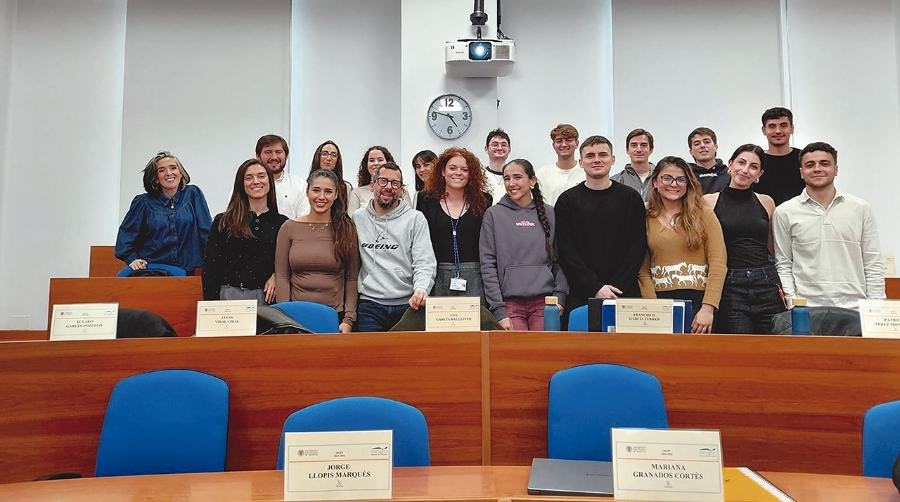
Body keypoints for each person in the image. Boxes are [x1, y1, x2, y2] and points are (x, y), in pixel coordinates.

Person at [773, 142, 885, 310]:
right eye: (810, 165)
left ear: (836, 169)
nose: (817, 169)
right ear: (801, 173)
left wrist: (876, 307)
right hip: (806, 308)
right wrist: (792, 302)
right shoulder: (784, 212)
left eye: (824, 163)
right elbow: (783, 263)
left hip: (856, 307)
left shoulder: (860, 208)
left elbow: (872, 261)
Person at [555, 136, 647, 316]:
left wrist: (615, 288)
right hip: (581, 293)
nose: (597, 160)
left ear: (613, 160)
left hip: (624, 292)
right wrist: (595, 287)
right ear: (581, 162)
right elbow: (567, 252)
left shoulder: (631, 198)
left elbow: (637, 248)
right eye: (590, 156)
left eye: (603, 155)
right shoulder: (567, 201)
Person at [638, 156, 727, 333]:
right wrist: (653, 308)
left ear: (688, 184)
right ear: (655, 182)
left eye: (681, 179)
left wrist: (708, 308)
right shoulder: (644, 217)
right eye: (667, 178)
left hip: (699, 304)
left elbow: (718, 263)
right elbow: (642, 269)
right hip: (659, 303)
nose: (674, 184)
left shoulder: (705, 215)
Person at [703, 145, 785, 334]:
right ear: (730, 165)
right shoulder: (708, 201)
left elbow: (773, 246)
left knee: (773, 347)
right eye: (741, 162)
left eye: (753, 166)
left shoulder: (766, 202)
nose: (745, 170)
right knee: (741, 349)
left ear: (759, 173)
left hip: (766, 281)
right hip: (730, 284)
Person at [480, 159, 568, 330]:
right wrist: (499, 310)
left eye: (517, 177)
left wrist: (560, 296)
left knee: (544, 355)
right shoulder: (493, 215)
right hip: (509, 305)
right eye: (507, 178)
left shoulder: (549, 213)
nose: (511, 184)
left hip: (546, 303)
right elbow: (488, 264)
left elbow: (561, 260)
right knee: (516, 356)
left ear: (532, 181)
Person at [353, 162, 436, 332]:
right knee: (371, 358)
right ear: (372, 185)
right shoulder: (358, 218)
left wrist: (421, 289)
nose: (389, 187)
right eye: (383, 181)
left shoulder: (415, 219)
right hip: (370, 305)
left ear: (401, 190)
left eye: (395, 183)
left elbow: (424, 262)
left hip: (407, 305)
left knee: (407, 358)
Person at [275, 169, 359, 332]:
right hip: (296, 317)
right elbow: (282, 276)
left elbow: (352, 277)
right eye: (316, 190)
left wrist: (349, 319)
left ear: (336, 195)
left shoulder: (346, 228)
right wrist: (285, 318)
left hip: (335, 316)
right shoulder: (288, 228)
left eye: (328, 191)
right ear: (307, 192)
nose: (321, 197)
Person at [202, 159, 287, 305]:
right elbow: (210, 267)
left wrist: (276, 275)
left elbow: (287, 263)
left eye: (261, 176)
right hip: (228, 296)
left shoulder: (282, 223)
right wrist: (212, 306)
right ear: (241, 184)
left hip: (265, 298)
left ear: (269, 181)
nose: (256, 181)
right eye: (249, 178)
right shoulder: (223, 220)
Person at [115, 150, 212, 273]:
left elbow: (207, 232)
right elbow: (125, 239)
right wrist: (132, 259)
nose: (169, 173)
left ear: (180, 173)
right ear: (155, 178)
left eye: (173, 168)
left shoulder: (193, 194)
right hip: (152, 270)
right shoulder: (143, 203)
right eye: (161, 170)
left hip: (188, 270)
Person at [416, 147, 492, 300]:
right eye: (452, 168)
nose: (458, 173)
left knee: (474, 323)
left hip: (475, 275)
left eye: (465, 169)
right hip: (436, 274)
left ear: (471, 175)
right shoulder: (425, 199)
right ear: (443, 171)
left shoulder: (484, 200)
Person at [755, 107, 805, 206]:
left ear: (792, 128)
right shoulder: (756, 161)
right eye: (772, 126)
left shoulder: (804, 159)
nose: (778, 131)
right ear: (764, 130)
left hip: (800, 218)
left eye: (783, 125)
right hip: (765, 218)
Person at [256, 134, 309, 219]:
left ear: (286, 156)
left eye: (278, 152)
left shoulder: (301, 185)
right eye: (268, 152)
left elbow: (303, 222)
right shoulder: (248, 185)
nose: (274, 157)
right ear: (258, 157)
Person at [348, 145, 411, 213]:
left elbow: (410, 216)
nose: (376, 163)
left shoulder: (402, 191)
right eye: (371, 160)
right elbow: (351, 220)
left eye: (380, 160)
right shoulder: (357, 193)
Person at [536, 124, 584, 206]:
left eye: (569, 140)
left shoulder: (586, 172)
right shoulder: (541, 174)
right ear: (553, 145)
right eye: (559, 141)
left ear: (577, 143)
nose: (564, 144)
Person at [611, 128, 655, 201]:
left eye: (643, 145)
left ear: (651, 150)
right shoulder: (615, 181)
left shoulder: (661, 179)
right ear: (627, 150)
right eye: (634, 145)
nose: (639, 150)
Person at [308, 140, 353, 204]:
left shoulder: (346, 188)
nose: (329, 158)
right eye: (324, 154)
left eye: (333, 155)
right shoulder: (305, 185)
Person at [688, 127, 730, 194]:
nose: (702, 146)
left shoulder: (730, 174)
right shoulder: (686, 175)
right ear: (691, 152)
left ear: (716, 147)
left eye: (707, 142)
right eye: (697, 144)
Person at [483, 129, 511, 204]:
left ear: (509, 150)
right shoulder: (479, 176)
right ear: (486, 149)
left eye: (503, 145)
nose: (499, 148)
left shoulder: (515, 178)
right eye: (495, 145)